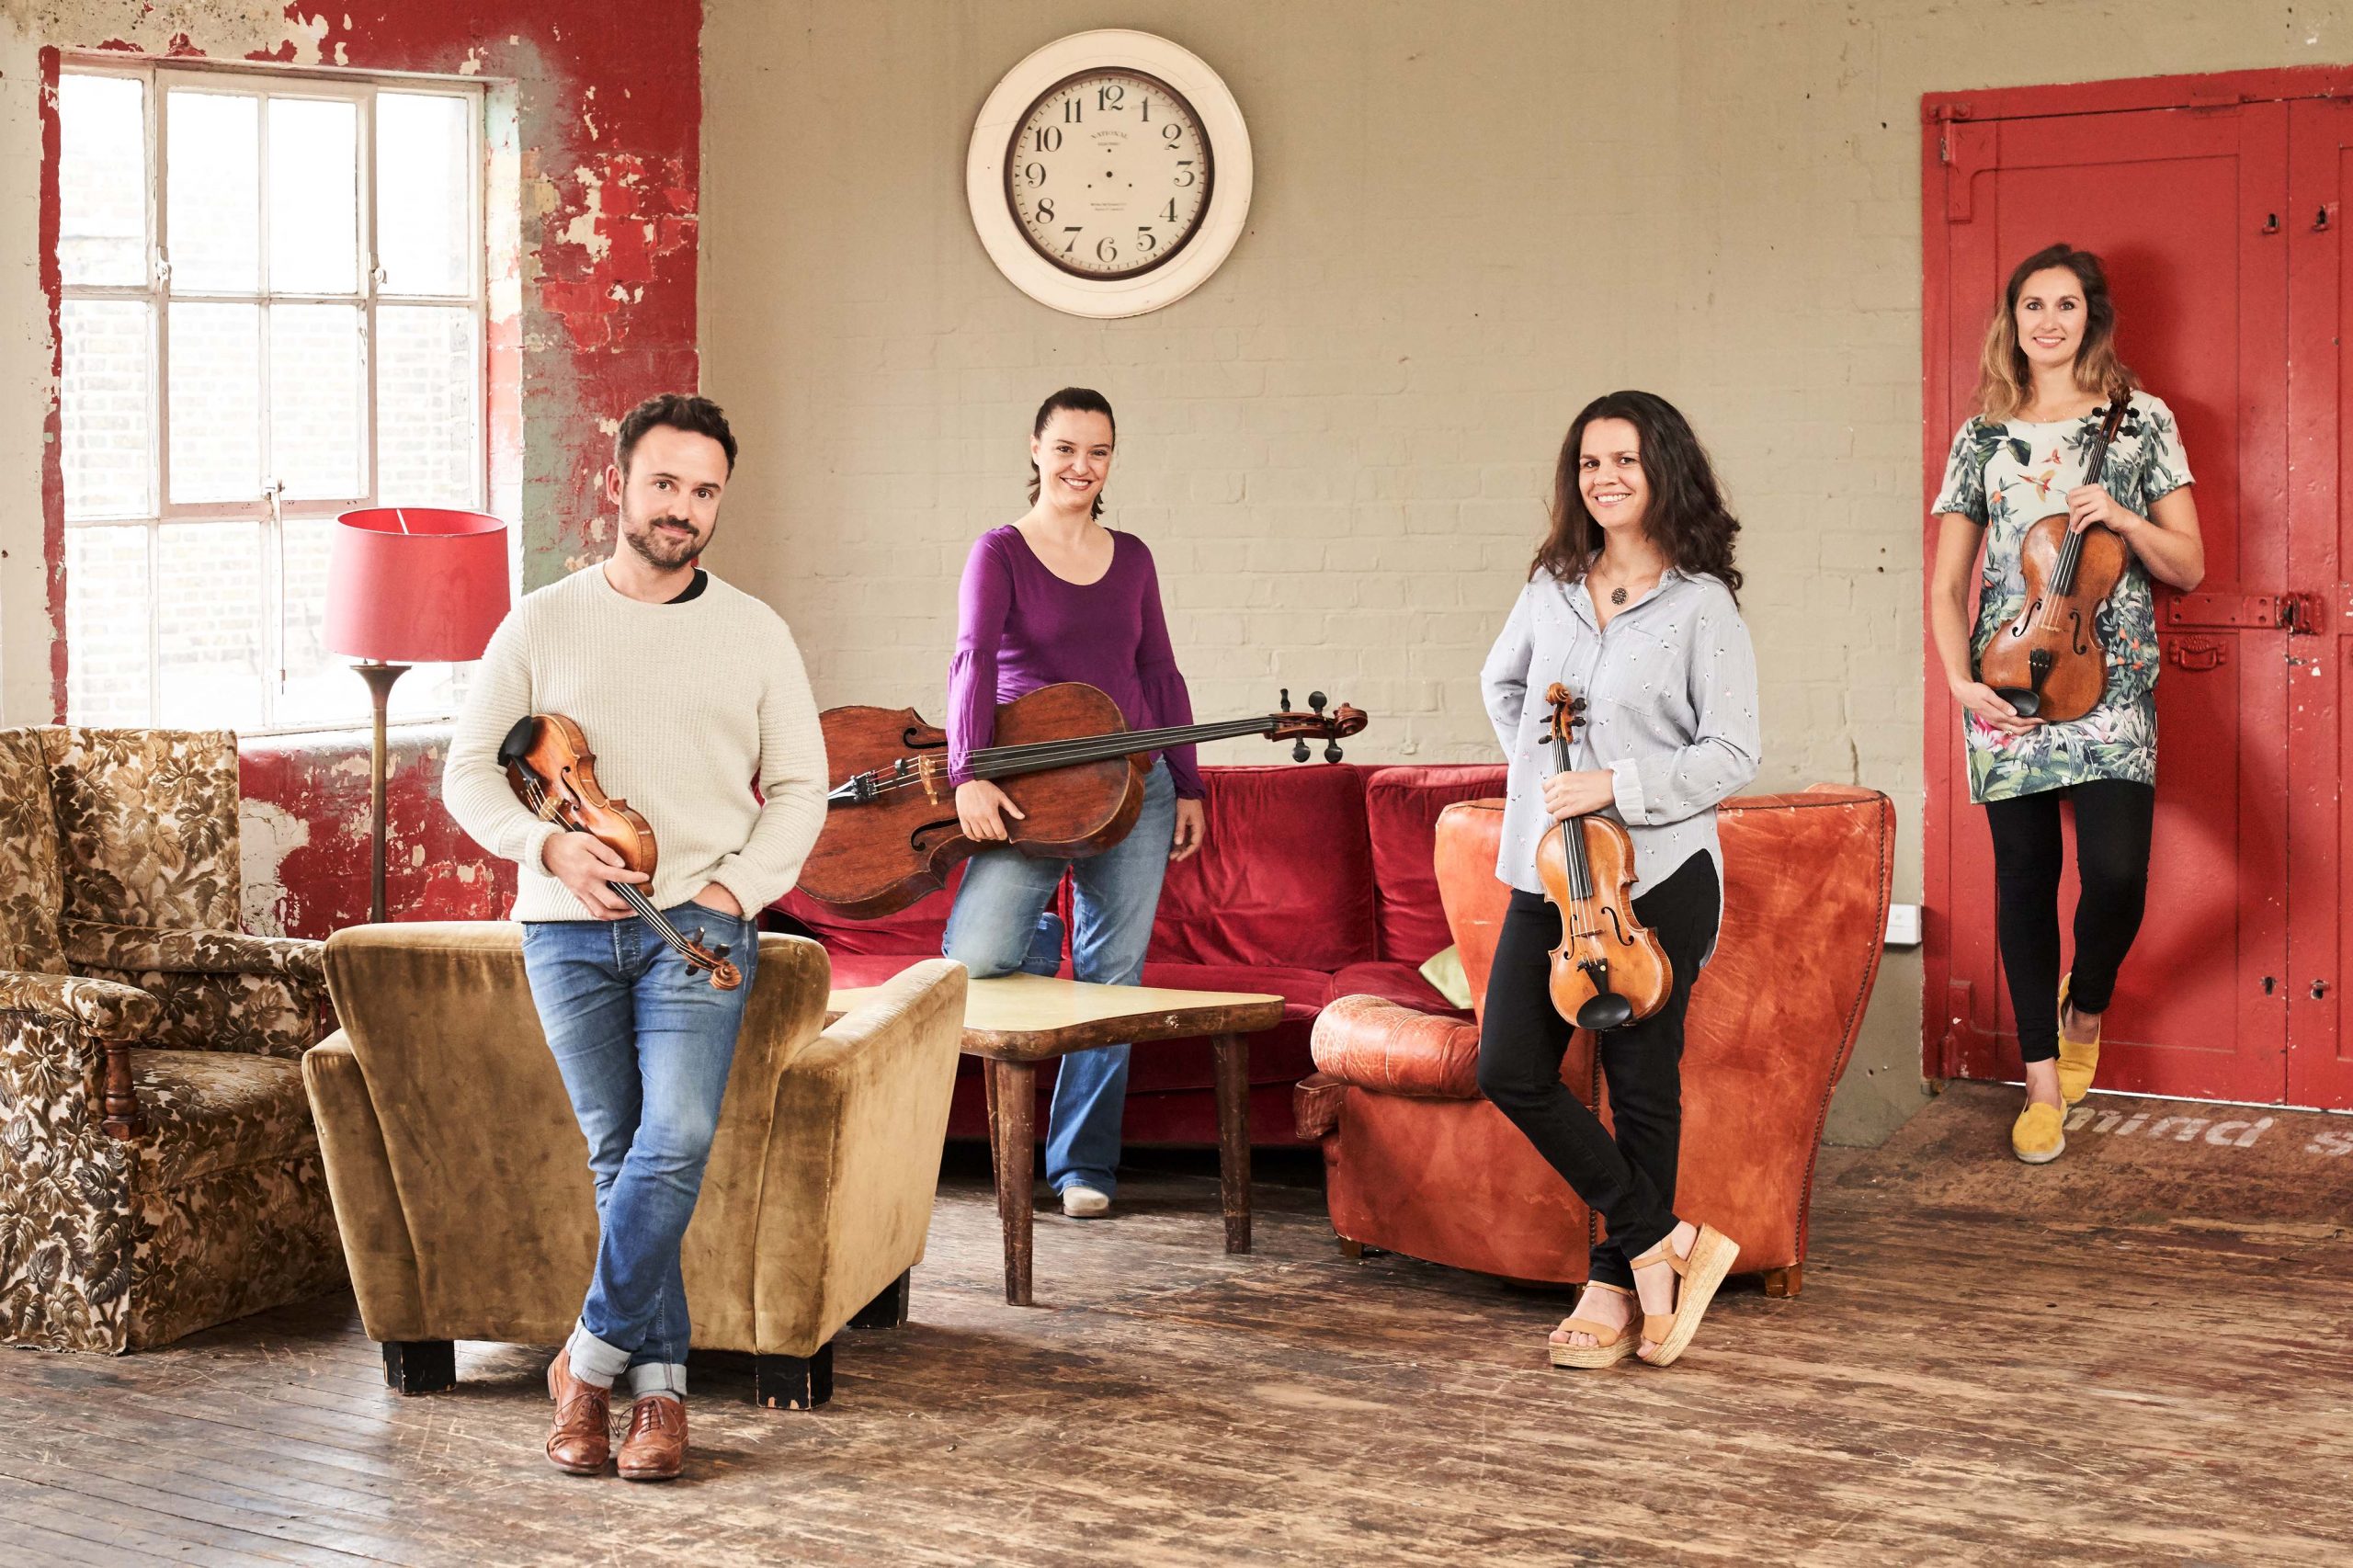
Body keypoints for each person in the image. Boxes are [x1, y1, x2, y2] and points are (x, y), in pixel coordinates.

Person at [444, 393, 828, 1480]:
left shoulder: (755, 630)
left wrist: (740, 889)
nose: (684, 508)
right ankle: (657, 1396)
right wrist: (547, 847)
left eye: (704, 491)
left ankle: (588, 1360)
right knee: (619, 1156)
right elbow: (468, 771)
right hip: (567, 934)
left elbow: (800, 787)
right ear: (618, 483)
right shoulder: (541, 620)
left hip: (697, 931)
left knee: (676, 1137)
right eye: (665, 483)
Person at [1476, 390, 1760, 1368]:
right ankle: (1663, 1237)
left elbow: (1733, 750)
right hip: (1551, 871)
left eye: (1625, 460)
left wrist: (1617, 782)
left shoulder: (1700, 604)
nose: (1604, 477)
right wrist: (1541, 776)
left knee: (1639, 1083)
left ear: (1663, 469)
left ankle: (1613, 1283)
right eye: (1590, 461)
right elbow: (1501, 684)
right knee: (1508, 1065)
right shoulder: (1549, 585)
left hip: (1662, 873)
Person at [1927, 244, 2202, 1165]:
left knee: (2117, 873)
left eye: (2066, 305)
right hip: (2006, 679)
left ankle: (2084, 1003)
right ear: (2011, 321)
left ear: (2092, 318)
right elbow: (1946, 585)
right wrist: (1958, 681)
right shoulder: (1982, 436)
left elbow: (2189, 565)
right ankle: (2041, 1080)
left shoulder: (2142, 422)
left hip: (2114, 679)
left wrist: (2123, 518)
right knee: (2023, 879)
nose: (2048, 320)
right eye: (2032, 305)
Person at [941, 386, 1207, 1220]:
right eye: (1064, 449)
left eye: (1097, 452)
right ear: (1034, 450)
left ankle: (1082, 1166)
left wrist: (1189, 778)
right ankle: (1041, 930)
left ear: (1111, 459)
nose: (1080, 467)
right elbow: (973, 661)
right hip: (1028, 792)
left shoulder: (1132, 557)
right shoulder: (1000, 551)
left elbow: (1159, 670)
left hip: (1135, 786)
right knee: (976, 956)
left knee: (1113, 979)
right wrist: (967, 773)